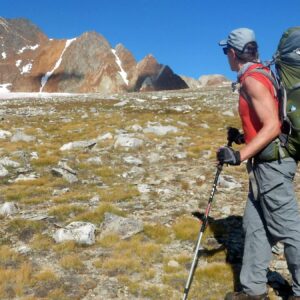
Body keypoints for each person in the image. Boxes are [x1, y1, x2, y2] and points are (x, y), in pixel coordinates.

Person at [217, 28, 300, 300]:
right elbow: (266, 122)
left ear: (233, 52)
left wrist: (238, 156)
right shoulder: (259, 74)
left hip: (273, 167)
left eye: (225, 51)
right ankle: (253, 291)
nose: (225, 56)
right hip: (263, 166)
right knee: (255, 226)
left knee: (289, 229)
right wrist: (243, 137)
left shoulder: (253, 79)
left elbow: (273, 126)